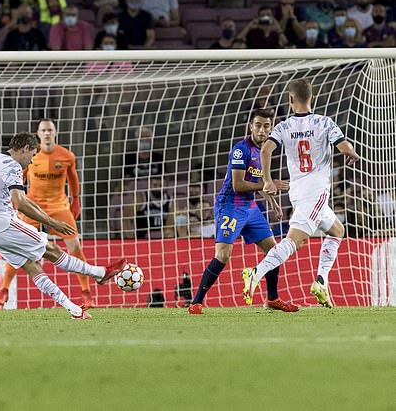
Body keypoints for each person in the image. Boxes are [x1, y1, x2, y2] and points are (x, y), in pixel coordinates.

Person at [0, 132, 126, 319]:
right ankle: (99, 273)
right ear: (25, 149)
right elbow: (20, 202)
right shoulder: (12, 165)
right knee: (51, 249)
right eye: (33, 155)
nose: (31, 161)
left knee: (31, 265)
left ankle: (74, 309)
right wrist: (52, 223)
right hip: (2, 225)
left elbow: (20, 200)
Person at [242, 79, 361, 308]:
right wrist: (352, 154)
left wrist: (268, 180)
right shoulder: (324, 122)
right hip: (315, 192)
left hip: (297, 191)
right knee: (295, 241)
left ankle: (321, 281)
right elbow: (344, 147)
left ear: (290, 99)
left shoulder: (283, 126)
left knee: (337, 230)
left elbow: (266, 149)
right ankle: (256, 273)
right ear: (312, 98)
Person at [188, 109, 296, 315]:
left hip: (251, 207)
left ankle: (272, 298)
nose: (262, 130)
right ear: (250, 127)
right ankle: (196, 302)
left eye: (266, 126)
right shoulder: (241, 150)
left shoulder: (265, 151)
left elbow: (259, 181)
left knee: (274, 252)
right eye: (258, 125)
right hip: (231, 205)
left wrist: (271, 199)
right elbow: (238, 185)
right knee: (223, 255)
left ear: (271, 128)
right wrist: (269, 184)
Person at [0, 119, 96, 308]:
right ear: (38, 134)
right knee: (16, 245)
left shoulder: (67, 156)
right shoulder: (31, 156)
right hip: (32, 206)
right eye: (44, 130)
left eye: (50, 130)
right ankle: (4, 290)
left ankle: (86, 292)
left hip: (59, 206)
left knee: (75, 245)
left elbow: (73, 181)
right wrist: (14, 201)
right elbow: (19, 179)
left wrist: (76, 201)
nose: (47, 133)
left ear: (55, 132)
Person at [122, 174, 175, 239]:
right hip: (141, 238)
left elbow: (169, 227)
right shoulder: (141, 197)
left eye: (161, 185)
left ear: (166, 186)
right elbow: (125, 218)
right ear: (150, 185)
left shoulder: (171, 201)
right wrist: (130, 238)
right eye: (155, 185)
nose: (158, 188)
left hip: (161, 239)